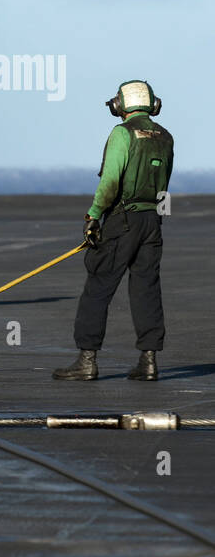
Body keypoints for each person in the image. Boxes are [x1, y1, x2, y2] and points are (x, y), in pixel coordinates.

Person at [54, 81, 173, 381]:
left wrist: (93, 216)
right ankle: (148, 361)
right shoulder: (165, 137)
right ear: (153, 104)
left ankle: (87, 361)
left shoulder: (122, 134)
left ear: (120, 106)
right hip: (152, 222)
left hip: (124, 220)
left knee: (98, 286)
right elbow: (164, 186)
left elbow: (110, 182)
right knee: (146, 289)